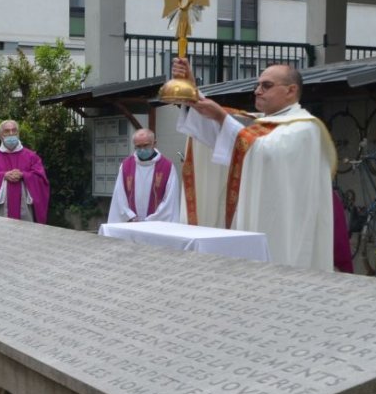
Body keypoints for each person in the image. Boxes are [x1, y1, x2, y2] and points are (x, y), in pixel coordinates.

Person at [174, 59, 336, 271]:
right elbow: (222, 134)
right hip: (251, 218)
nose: (258, 91)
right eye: (257, 85)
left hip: (282, 228)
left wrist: (222, 117)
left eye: (266, 86)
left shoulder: (305, 128)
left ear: (291, 90)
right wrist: (192, 92)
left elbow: (264, 151)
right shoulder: (262, 122)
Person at [0, 120, 50, 223]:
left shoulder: (31, 156)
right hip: (1, 210)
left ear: (18, 133)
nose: (11, 133)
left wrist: (24, 175)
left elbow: (41, 178)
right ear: (1, 135)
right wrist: (3, 176)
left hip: (25, 209)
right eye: (7, 131)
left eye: (14, 130)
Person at [106, 128, 180, 224]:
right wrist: (130, 216)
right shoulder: (126, 165)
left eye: (146, 145)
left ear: (154, 143)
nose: (142, 149)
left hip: (156, 224)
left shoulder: (167, 167)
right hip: (131, 222)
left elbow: (170, 200)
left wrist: (150, 220)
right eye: (138, 146)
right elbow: (119, 195)